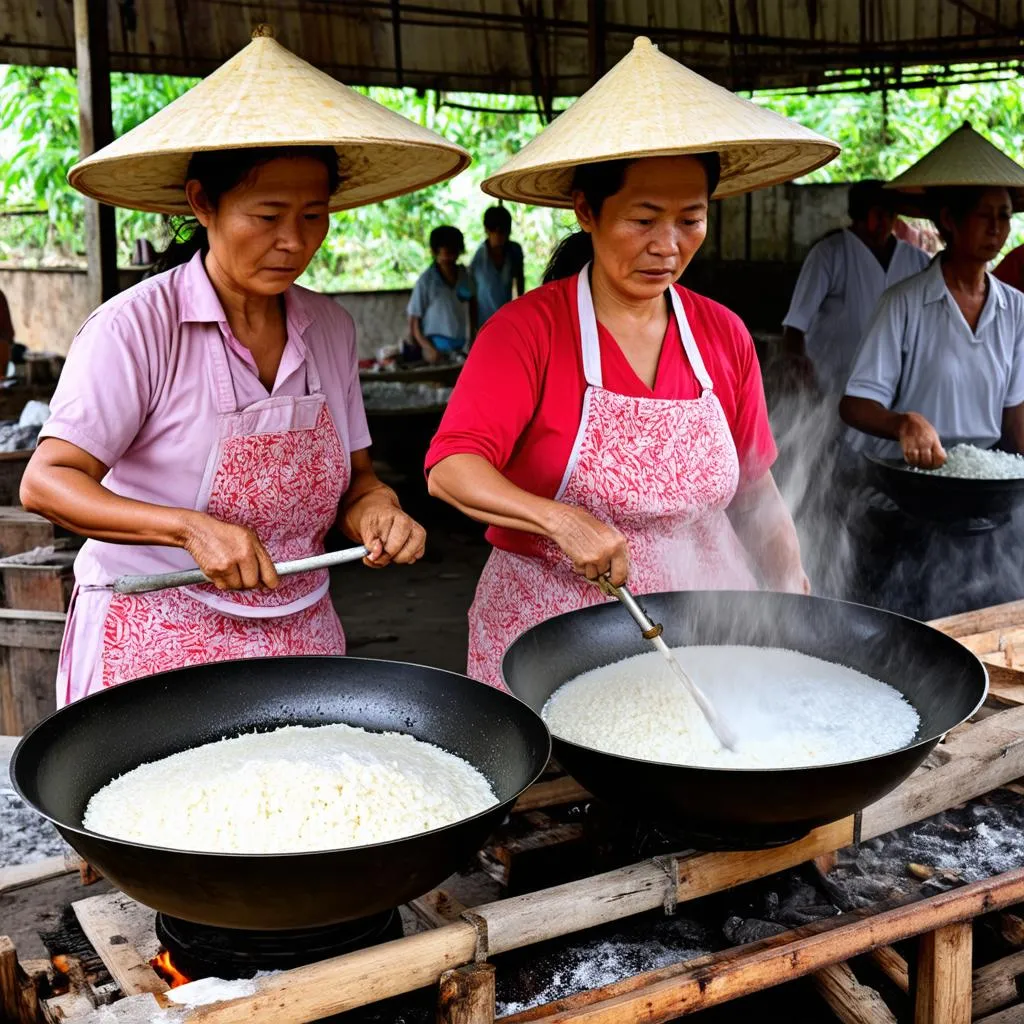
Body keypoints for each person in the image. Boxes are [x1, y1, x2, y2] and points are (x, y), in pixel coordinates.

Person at [19, 27, 470, 705]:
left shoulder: (329, 328)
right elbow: (48, 482)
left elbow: (359, 480)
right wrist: (188, 528)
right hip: (157, 638)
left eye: (314, 216)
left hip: (300, 638)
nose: (294, 241)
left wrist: (378, 511)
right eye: (268, 215)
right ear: (203, 204)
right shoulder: (137, 327)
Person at [424, 36, 840, 687]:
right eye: (643, 220)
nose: (668, 247)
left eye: (690, 220)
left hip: (705, 627)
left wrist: (788, 585)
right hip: (553, 633)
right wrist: (559, 520)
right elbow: (451, 468)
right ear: (587, 211)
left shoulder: (722, 336)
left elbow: (756, 490)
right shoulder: (529, 330)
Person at [839, 123, 1024, 619]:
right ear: (949, 220)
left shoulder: (1016, 308)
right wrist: (904, 422)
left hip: (985, 491)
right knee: (915, 621)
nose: (997, 228)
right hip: (912, 489)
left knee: (990, 614)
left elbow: (1015, 416)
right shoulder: (904, 303)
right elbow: (854, 404)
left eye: (1004, 216)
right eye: (985, 216)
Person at [781, 180, 930, 396]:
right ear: (859, 214)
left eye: (891, 214)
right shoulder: (830, 254)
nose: (885, 221)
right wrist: (798, 366)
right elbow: (795, 325)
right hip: (834, 382)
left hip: (895, 385)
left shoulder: (916, 260)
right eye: (878, 213)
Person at [406, 226, 477, 362]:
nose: (450, 257)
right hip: (434, 346)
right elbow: (414, 320)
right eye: (447, 252)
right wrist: (427, 347)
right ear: (435, 252)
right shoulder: (426, 281)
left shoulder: (464, 276)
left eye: (454, 252)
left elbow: (473, 304)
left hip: (460, 346)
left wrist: (473, 339)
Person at [469, 205, 525, 325]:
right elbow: (471, 295)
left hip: (505, 319)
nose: (499, 235)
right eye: (494, 230)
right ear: (487, 230)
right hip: (483, 321)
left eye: (503, 231)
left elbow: (520, 281)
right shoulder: (479, 258)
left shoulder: (514, 251)